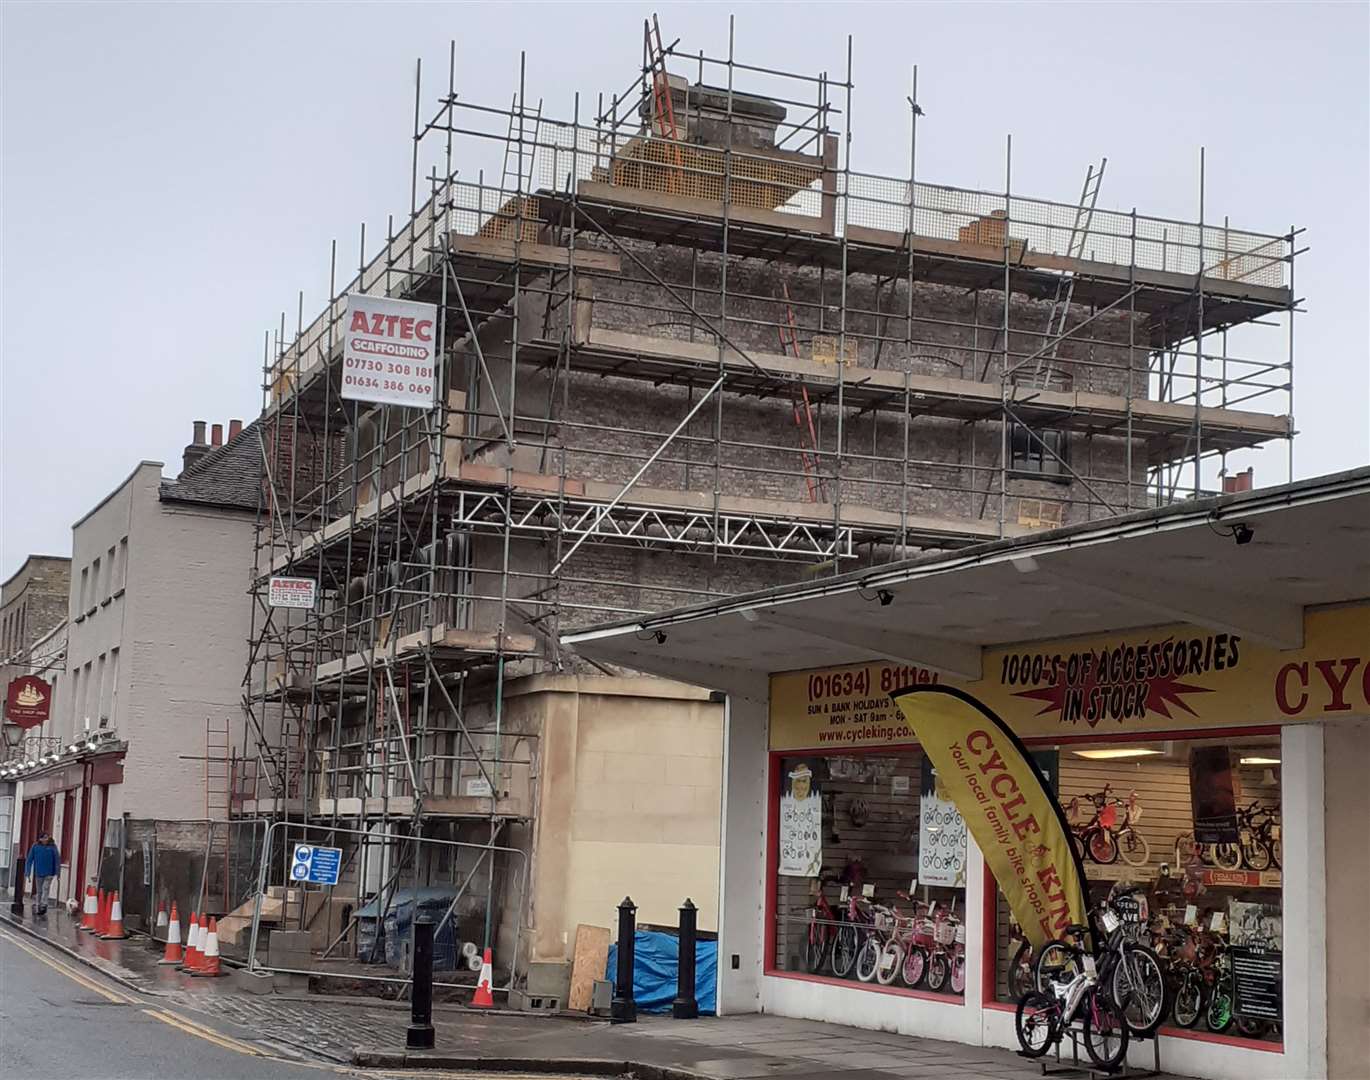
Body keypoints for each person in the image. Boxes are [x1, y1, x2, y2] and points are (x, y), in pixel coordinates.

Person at [24, 832, 61, 916]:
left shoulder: (52, 847)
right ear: (39, 839)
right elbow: (29, 859)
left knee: (46, 887)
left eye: (46, 838)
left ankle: (44, 904)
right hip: (39, 872)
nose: (45, 840)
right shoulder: (35, 847)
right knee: (39, 890)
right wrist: (28, 872)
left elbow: (57, 860)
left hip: (49, 873)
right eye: (43, 838)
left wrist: (58, 873)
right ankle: (38, 905)